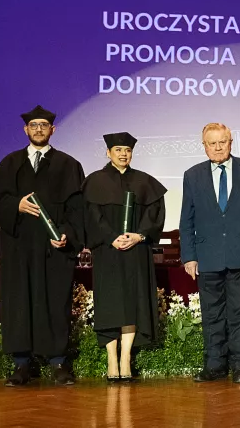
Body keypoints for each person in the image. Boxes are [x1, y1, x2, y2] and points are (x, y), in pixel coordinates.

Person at [0, 105, 85, 386]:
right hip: (19, 248)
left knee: (55, 302)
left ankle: (58, 363)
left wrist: (66, 234)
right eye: (34, 125)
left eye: (44, 125)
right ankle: (21, 364)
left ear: (52, 130)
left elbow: (77, 210)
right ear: (25, 130)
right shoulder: (10, 163)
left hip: (54, 249)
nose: (39, 129)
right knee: (19, 302)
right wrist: (15, 205)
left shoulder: (68, 165)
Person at [180, 123, 240, 384]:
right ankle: (215, 365)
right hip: (208, 257)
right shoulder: (192, 175)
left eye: (223, 142)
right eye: (212, 143)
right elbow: (187, 219)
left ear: (231, 142)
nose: (218, 147)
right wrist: (189, 256)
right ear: (204, 146)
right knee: (212, 315)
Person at [82, 132, 167, 382]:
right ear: (108, 153)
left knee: (133, 302)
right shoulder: (94, 182)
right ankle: (111, 358)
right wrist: (110, 237)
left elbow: (155, 216)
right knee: (111, 304)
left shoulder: (144, 182)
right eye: (118, 150)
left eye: (127, 150)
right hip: (107, 252)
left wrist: (139, 236)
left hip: (136, 252)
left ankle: (126, 357)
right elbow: (91, 217)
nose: (123, 154)